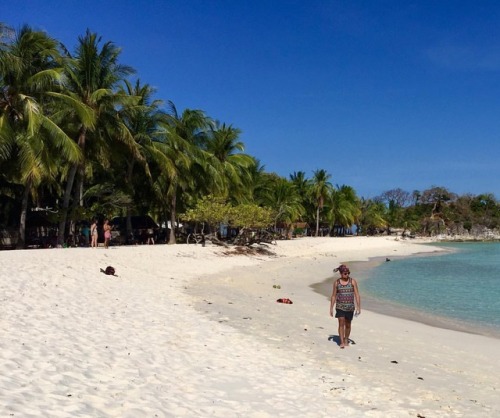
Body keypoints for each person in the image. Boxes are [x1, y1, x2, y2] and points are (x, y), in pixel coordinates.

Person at [329, 264, 361, 349]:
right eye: (345, 273)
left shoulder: (352, 282)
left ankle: (346, 338)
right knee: (341, 323)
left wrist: (358, 307)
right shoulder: (337, 283)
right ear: (341, 274)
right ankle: (342, 342)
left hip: (350, 307)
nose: (347, 275)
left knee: (348, 324)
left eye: (348, 273)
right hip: (340, 306)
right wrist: (331, 308)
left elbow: (357, 295)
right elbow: (333, 296)